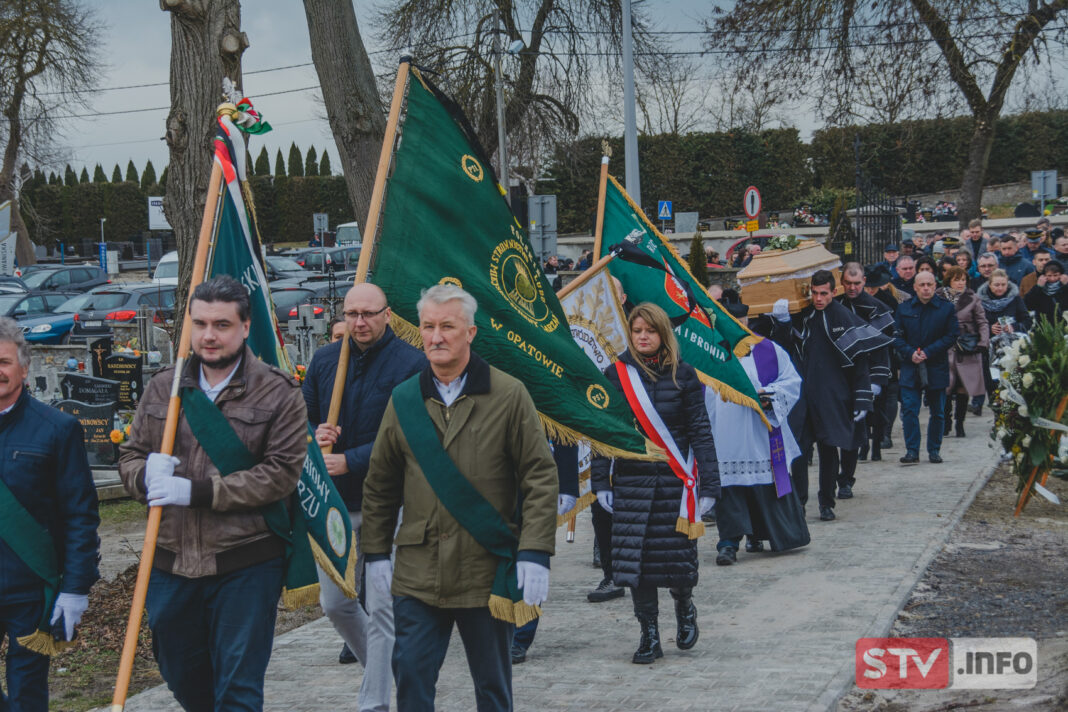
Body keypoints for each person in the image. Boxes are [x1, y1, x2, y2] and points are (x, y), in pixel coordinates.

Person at [361, 284, 558, 712]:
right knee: (410, 679)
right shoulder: (403, 399)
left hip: (485, 570)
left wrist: (535, 550)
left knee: (492, 686)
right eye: (428, 326)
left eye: (447, 326)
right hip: (418, 573)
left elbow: (539, 477)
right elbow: (381, 484)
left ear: (470, 332)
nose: (436, 336)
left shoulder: (508, 395)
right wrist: (375, 552)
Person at [118, 276, 308, 711]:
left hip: (245, 559)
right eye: (199, 323)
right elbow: (129, 456)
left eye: (221, 324)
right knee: (182, 676)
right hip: (169, 560)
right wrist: (145, 477)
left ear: (244, 327)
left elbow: (280, 475)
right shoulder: (164, 388)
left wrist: (196, 491)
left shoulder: (279, 392)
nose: (208, 335)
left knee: (238, 688)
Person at [302, 283, 426, 710]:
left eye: (368, 313)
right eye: (352, 313)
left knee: (382, 607)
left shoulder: (411, 365)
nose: (359, 322)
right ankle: (387, 667)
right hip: (333, 505)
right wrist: (316, 437)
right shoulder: (324, 362)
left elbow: (412, 437)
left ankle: (373, 702)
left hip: (387, 504)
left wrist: (351, 460)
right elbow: (303, 424)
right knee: (335, 604)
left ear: (387, 315)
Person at [590, 302, 719, 663]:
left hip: (674, 486)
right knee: (637, 568)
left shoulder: (684, 375)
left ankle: (685, 607)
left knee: (676, 562)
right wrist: (601, 480)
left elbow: (701, 433)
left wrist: (709, 486)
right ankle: (648, 634)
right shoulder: (615, 375)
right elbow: (603, 432)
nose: (643, 337)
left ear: (663, 333)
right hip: (630, 485)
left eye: (650, 330)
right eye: (637, 331)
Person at [0, 318, 99, 711]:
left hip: (31, 584)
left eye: (5, 361)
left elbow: (80, 515)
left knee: (27, 693)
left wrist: (76, 587)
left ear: (24, 369)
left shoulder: (57, 429)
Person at [770, 271, 891, 521]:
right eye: (814, 293)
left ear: (833, 292)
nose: (818, 298)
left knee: (828, 450)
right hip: (802, 398)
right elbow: (783, 350)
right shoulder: (803, 315)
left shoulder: (844, 317)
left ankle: (827, 502)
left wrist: (862, 398)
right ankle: (800, 504)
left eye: (824, 293)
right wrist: (782, 323)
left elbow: (860, 363)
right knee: (800, 453)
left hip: (832, 397)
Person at [706, 302, 809, 564]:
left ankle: (760, 534)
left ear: (747, 322)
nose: (739, 328)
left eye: (742, 322)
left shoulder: (767, 349)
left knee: (765, 485)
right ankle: (728, 543)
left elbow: (791, 381)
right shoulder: (708, 351)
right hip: (725, 435)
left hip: (761, 430)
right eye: (732, 323)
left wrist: (769, 396)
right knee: (730, 488)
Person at [893, 272, 959, 464]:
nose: (926, 288)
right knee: (910, 409)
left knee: (938, 411)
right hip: (910, 364)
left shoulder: (946, 309)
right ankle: (912, 450)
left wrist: (929, 352)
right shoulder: (904, 308)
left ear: (934, 285)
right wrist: (909, 352)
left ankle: (934, 450)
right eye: (922, 285)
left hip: (935, 364)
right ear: (915, 287)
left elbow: (951, 335)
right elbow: (896, 336)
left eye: (929, 284)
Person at [836, 263, 894, 475]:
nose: (852, 288)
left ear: (865, 282)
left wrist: (876, 380)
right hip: (839, 373)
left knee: (859, 426)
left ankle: (848, 476)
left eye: (857, 283)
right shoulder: (835, 304)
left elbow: (882, 347)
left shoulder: (877, 309)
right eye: (848, 283)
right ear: (841, 282)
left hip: (865, 374)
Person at [937, 267, 989, 438]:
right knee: (945, 386)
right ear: (949, 281)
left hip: (967, 346)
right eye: (956, 279)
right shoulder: (939, 296)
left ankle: (960, 423)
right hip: (945, 345)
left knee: (962, 387)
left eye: (963, 279)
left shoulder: (973, 298)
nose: (960, 283)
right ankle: (946, 421)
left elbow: (982, 321)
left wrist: (983, 342)